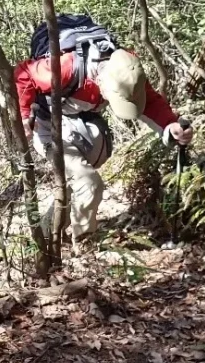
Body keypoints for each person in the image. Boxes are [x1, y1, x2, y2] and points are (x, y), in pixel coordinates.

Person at [14, 16, 194, 251]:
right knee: (88, 182)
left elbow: (148, 101)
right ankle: (85, 245)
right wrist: (24, 116)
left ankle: (49, 229)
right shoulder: (64, 68)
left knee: (80, 179)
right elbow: (23, 74)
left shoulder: (127, 68)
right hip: (48, 125)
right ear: (100, 82)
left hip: (81, 122)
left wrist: (170, 125)